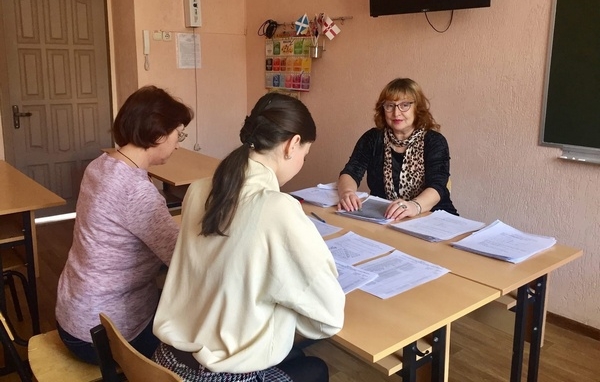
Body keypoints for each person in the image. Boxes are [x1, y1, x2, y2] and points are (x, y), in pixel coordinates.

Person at [152, 92, 345, 382]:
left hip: (167, 360)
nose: (301, 162)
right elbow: (329, 317)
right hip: (216, 376)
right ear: (292, 145)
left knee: (296, 357)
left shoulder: (199, 188)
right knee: (316, 369)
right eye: (305, 155)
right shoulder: (278, 208)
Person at [55, 85, 194, 364]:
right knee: (199, 331)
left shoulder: (100, 165)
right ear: (158, 134)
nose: (178, 144)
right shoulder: (135, 190)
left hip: (73, 314)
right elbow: (183, 259)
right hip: (103, 334)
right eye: (178, 134)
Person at [338, 78, 457, 220]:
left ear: (417, 108)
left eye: (404, 105)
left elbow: (438, 186)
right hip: (386, 216)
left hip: (433, 216)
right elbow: (351, 171)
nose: (396, 113)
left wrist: (414, 206)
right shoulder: (373, 138)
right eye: (390, 105)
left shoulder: (434, 141)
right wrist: (347, 193)